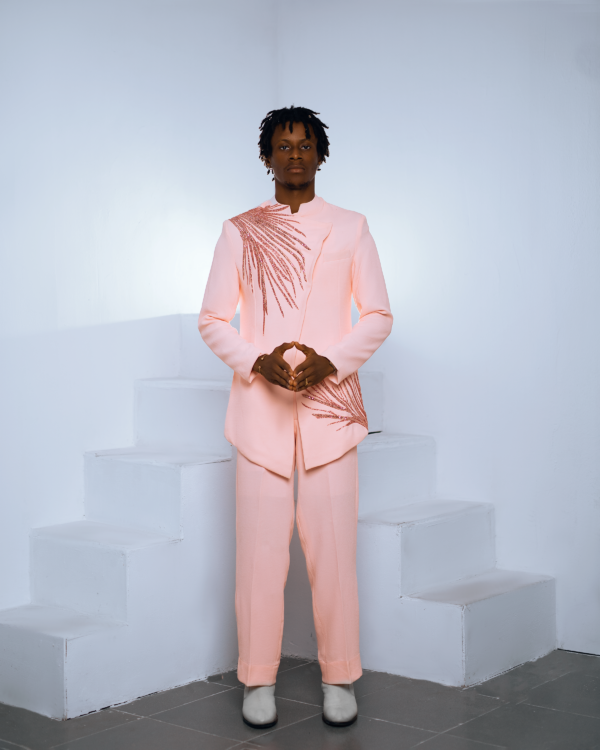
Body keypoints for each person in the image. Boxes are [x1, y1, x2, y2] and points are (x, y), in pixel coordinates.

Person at [198, 105, 393, 728]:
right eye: (283, 146)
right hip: (261, 415)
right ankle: (257, 679)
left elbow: (378, 315)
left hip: (330, 414)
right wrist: (255, 361)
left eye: (305, 145)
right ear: (266, 158)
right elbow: (212, 320)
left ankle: (340, 676)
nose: (295, 155)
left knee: (333, 556)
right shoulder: (240, 230)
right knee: (259, 557)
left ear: (321, 155)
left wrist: (331, 362)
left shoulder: (352, 226)